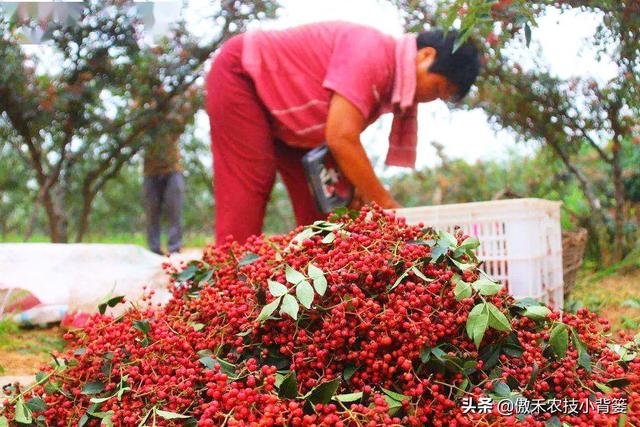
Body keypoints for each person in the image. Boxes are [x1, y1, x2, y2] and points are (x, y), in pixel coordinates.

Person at [206, 21, 480, 244]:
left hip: (298, 124)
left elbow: (336, 139)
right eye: (437, 89)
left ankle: (316, 299)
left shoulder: (386, 80)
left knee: (326, 213)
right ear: (425, 55)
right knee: (251, 183)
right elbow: (341, 137)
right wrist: (387, 206)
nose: (431, 99)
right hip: (243, 76)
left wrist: (359, 192)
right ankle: (225, 286)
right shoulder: (372, 52)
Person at [143, 131, 185, 255]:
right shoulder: (144, 118)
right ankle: (154, 250)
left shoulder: (172, 115)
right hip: (150, 171)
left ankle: (174, 249)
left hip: (173, 169)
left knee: (175, 210)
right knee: (151, 211)